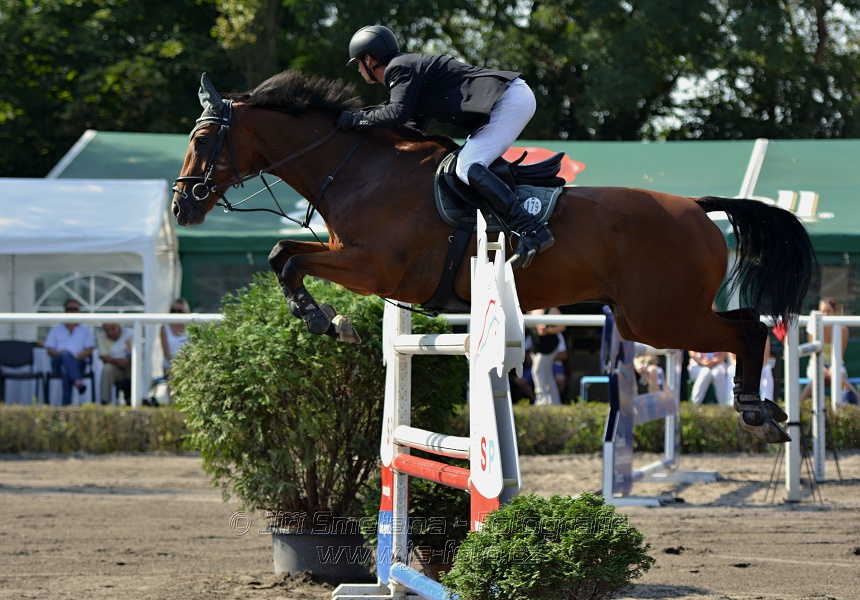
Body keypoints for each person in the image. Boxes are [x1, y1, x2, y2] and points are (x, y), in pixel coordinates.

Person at [338, 25, 554, 269]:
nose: (358, 69)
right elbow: (412, 126)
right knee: (466, 164)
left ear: (368, 59)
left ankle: (531, 229)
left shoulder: (399, 68)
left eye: (358, 63)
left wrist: (355, 119)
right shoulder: (406, 70)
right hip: (509, 99)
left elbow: (396, 114)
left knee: (468, 166)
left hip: (509, 100)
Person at [800, 297, 860, 404]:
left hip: (836, 364)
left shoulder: (843, 329)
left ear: (834, 312)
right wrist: (822, 367)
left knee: (836, 374)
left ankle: (854, 404)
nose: (825, 315)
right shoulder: (814, 327)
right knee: (819, 374)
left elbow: (839, 355)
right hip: (816, 364)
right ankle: (797, 407)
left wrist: (833, 368)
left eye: (828, 311)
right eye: (823, 311)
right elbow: (813, 353)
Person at [44, 299, 95, 406]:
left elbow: (89, 350)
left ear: (79, 311)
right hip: (58, 361)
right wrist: (62, 355)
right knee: (65, 356)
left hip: (79, 363)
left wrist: (74, 358)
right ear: (64, 311)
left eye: (75, 309)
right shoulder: (55, 329)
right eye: (69, 309)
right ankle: (78, 382)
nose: (72, 311)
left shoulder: (86, 330)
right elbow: (49, 349)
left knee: (65, 368)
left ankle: (65, 406)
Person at [527, 308, 568, 406]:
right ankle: (554, 401)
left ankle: (541, 400)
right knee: (546, 374)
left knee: (537, 371)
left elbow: (562, 327)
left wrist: (548, 330)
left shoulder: (553, 310)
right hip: (537, 347)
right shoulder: (532, 309)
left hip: (549, 347)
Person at [159, 298, 190, 404]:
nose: (176, 313)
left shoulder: (190, 327)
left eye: (180, 311)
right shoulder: (164, 328)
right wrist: (176, 364)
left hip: (189, 364)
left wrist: (185, 363)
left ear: (186, 312)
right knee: (173, 373)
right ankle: (174, 405)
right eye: (173, 310)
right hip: (170, 364)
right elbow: (166, 352)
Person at [97, 323, 133, 406]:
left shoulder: (130, 334)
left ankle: (134, 399)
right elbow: (103, 356)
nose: (110, 333)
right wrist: (118, 361)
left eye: (113, 329)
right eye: (107, 330)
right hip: (115, 369)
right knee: (107, 369)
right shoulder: (101, 337)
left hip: (130, 367)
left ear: (119, 326)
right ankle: (105, 402)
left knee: (136, 369)